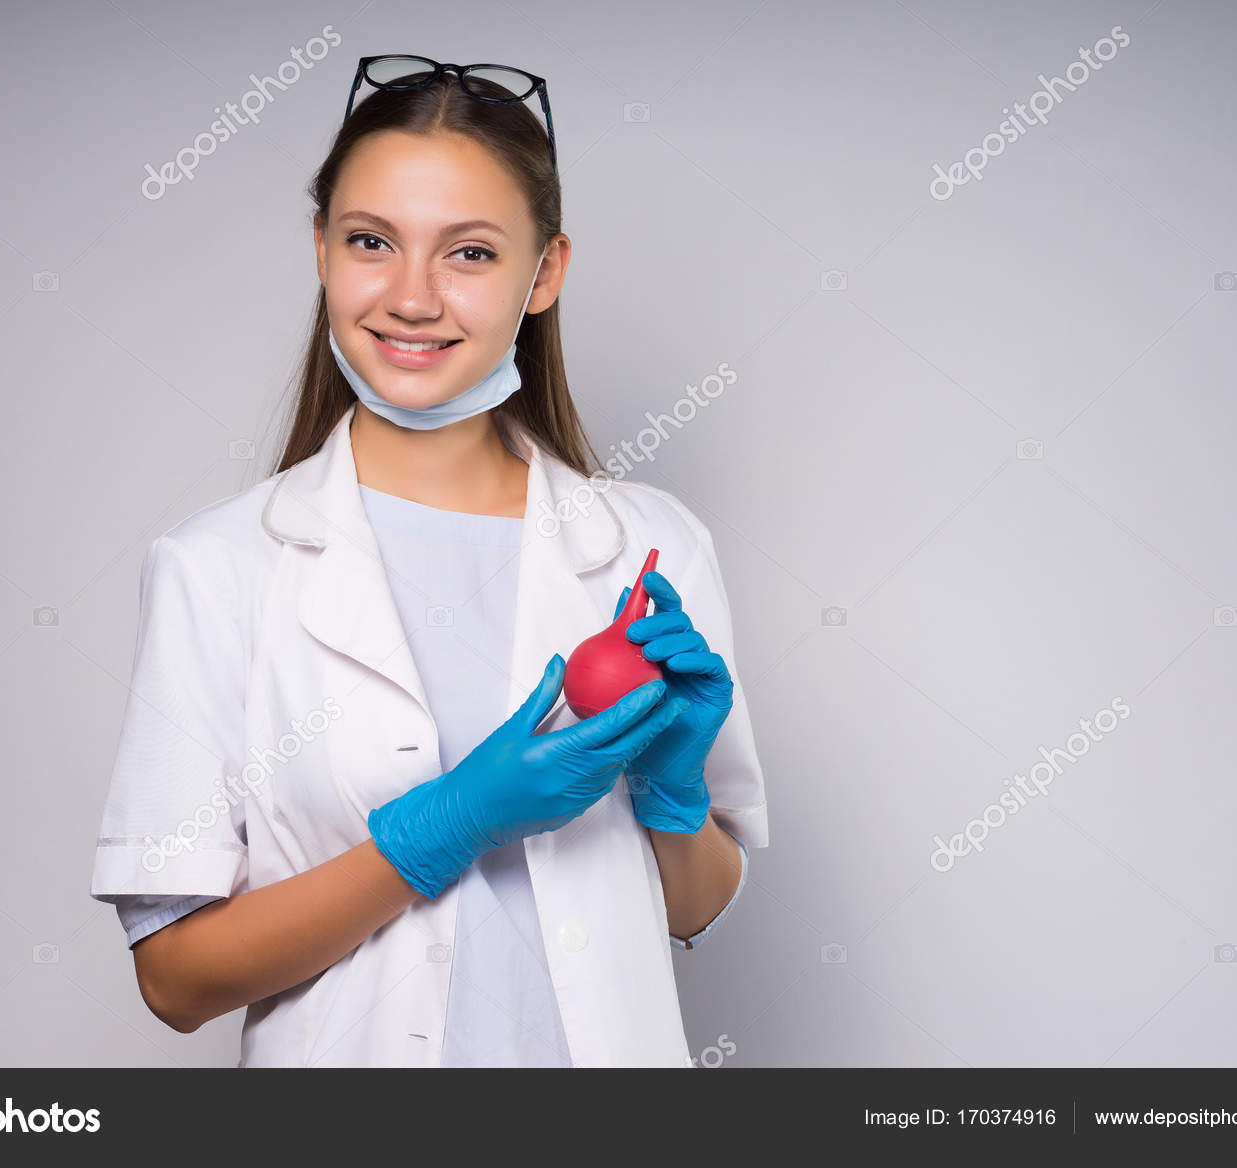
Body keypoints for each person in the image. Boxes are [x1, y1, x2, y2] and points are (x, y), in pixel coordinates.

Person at [90, 55, 768, 1067]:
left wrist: (670, 794)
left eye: (469, 254)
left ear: (544, 274)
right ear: (320, 249)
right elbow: (177, 980)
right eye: (372, 241)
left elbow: (694, 906)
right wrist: (443, 827)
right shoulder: (219, 566)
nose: (412, 297)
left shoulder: (645, 545)